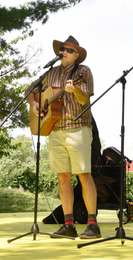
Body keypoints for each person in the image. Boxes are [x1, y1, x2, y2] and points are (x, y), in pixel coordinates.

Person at [26, 35, 101, 240]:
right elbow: (29, 90)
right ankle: (68, 224)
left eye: (69, 50)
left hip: (78, 129)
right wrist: (35, 102)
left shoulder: (83, 72)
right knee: (62, 177)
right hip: (55, 129)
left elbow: (85, 99)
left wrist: (74, 89)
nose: (64, 52)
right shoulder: (51, 73)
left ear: (77, 55)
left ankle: (92, 224)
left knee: (84, 175)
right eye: (62, 49)